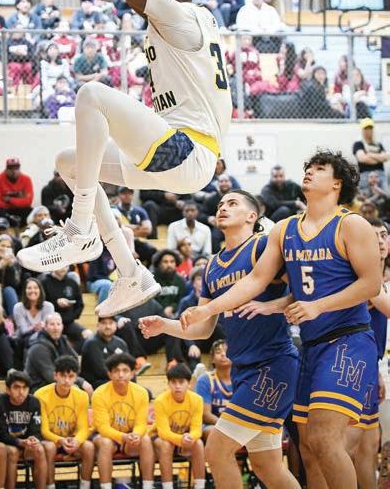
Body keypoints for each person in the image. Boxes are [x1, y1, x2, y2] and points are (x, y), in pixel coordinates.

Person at [17, 0, 231, 322]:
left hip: (188, 149)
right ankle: (131, 271)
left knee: (92, 95)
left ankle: (79, 229)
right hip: (184, 155)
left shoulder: (176, 12)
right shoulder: (188, 15)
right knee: (71, 163)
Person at [177, 151, 382, 489]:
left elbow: (371, 284)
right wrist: (209, 309)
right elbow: (256, 280)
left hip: (348, 339)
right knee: (309, 449)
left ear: (337, 183)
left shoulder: (352, 224)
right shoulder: (285, 229)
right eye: (308, 167)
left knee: (326, 438)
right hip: (311, 346)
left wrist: (316, 306)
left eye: (319, 169)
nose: (309, 172)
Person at [141, 189, 299, 489]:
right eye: (221, 203)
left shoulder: (263, 247)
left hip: (272, 365)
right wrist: (165, 326)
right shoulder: (212, 265)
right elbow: (203, 328)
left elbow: (302, 293)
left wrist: (270, 306)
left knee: (216, 450)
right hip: (243, 369)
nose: (223, 207)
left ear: (252, 216)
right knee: (266, 466)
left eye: (232, 203)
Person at [345, 218, 390, 488]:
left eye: (384, 235)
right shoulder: (364, 279)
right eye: (374, 236)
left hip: (372, 364)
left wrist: (378, 370)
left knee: (371, 444)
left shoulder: (379, 279)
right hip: (353, 365)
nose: (380, 241)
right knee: (348, 445)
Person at [92, 352, 154, 489]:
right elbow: (103, 428)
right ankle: (106, 486)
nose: (121, 375)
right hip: (105, 436)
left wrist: (136, 434)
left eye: (125, 370)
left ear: (132, 373)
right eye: (116, 371)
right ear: (109, 374)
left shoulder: (142, 393)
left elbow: (141, 424)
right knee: (106, 443)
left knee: (145, 439)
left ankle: (148, 486)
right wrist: (123, 437)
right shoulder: (99, 394)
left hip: (130, 436)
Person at [35, 355, 95, 489]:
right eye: (63, 376)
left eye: (71, 376)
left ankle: (85, 486)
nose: (67, 380)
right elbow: (44, 430)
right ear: (55, 375)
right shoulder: (40, 395)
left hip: (72, 439)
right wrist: (61, 440)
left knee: (89, 447)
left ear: (76, 377)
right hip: (50, 440)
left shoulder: (82, 396)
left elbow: (83, 428)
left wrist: (77, 441)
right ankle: (50, 486)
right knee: (49, 448)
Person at [0, 369, 50, 489]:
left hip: (27, 443)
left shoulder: (34, 402)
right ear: (8, 389)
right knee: (13, 452)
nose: (21, 392)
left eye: (24, 388)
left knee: (39, 449)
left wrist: (34, 439)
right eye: (16, 387)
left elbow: (36, 429)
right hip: (6, 443)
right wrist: (19, 442)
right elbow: (0, 434)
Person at [153, 364, 205, 489]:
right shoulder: (160, 401)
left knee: (198, 443)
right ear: (168, 384)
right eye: (173, 382)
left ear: (189, 383)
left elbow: (197, 429)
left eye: (181, 382)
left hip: (185, 437)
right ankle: (168, 486)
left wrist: (191, 437)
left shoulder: (197, 400)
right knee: (166, 445)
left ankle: (200, 486)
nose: (177, 386)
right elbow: (163, 432)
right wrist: (181, 439)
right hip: (162, 438)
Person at [39, 266, 91, 352]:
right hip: (50, 324)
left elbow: (80, 304)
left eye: (66, 266)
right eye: (61, 265)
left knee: (88, 335)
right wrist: (56, 303)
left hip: (68, 323)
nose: (63, 268)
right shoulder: (44, 283)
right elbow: (41, 303)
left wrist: (72, 316)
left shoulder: (72, 283)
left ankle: (70, 354)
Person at [25, 313, 79, 392]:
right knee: (76, 389)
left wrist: (78, 380)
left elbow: (75, 362)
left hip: (60, 383)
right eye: (52, 324)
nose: (55, 328)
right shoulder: (38, 347)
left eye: (58, 324)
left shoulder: (63, 341)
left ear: (62, 326)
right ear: (45, 327)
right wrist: (79, 381)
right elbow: (50, 376)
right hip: (38, 388)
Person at [195, 340, 233, 440]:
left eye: (226, 351)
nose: (223, 354)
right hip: (211, 424)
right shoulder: (205, 380)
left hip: (236, 425)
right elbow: (206, 415)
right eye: (218, 352)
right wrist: (227, 427)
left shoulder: (241, 378)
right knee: (214, 432)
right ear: (212, 359)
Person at [80, 316, 131, 389]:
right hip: (96, 383)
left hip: (117, 380)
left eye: (111, 323)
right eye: (104, 323)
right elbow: (101, 371)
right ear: (98, 325)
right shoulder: (91, 343)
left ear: (116, 325)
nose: (108, 326)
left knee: (142, 390)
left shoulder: (121, 343)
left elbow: (128, 365)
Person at [0, 157, 34, 227]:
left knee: (30, 211)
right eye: (11, 168)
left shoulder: (26, 179)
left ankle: (23, 230)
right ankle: (1, 229)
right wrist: (19, 200)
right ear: (6, 169)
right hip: (3, 211)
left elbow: (28, 201)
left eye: (16, 168)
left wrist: (9, 200)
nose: (14, 171)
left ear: (19, 169)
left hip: (18, 209)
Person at [353, 118, 389, 190]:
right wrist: (379, 159)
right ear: (362, 130)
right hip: (365, 173)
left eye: (370, 128)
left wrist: (369, 154)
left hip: (380, 173)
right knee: (364, 193)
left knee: (386, 192)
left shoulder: (378, 144)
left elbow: (386, 157)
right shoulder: (358, 144)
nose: (368, 130)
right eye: (366, 128)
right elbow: (362, 158)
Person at [153, 250, 187, 319]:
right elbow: (150, 302)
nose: (169, 265)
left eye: (172, 262)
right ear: (159, 264)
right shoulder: (151, 279)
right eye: (165, 262)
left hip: (175, 316)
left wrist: (172, 307)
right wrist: (162, 310)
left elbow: (182, 299)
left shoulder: (180, 280)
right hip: (155, 315)